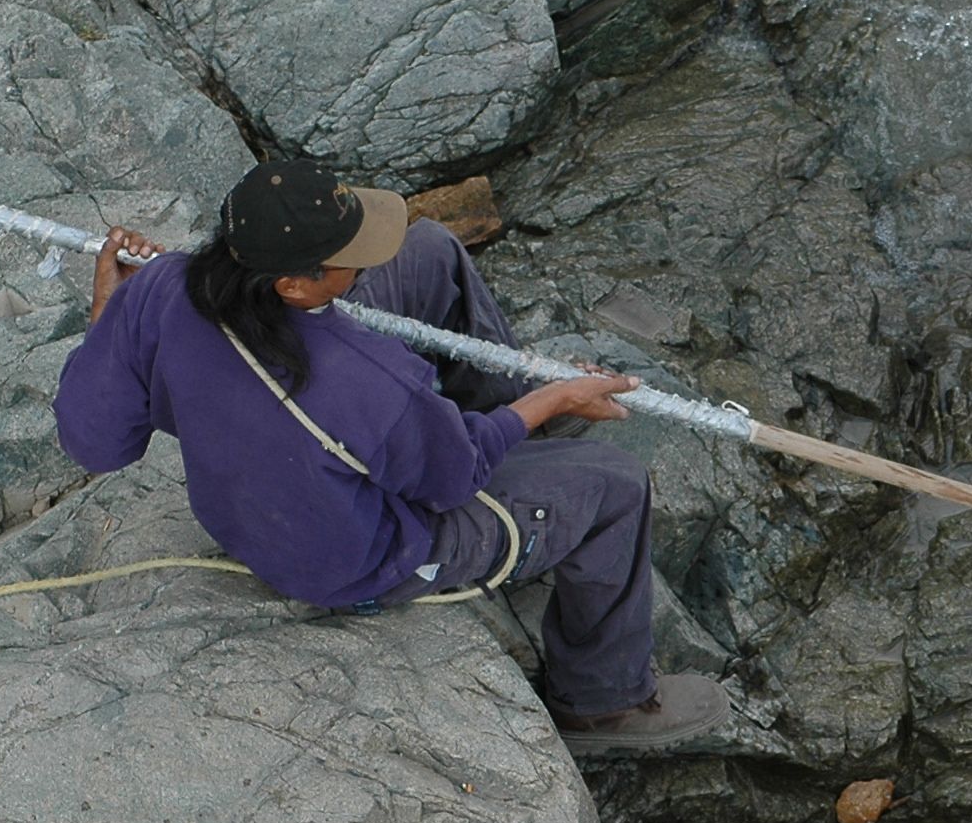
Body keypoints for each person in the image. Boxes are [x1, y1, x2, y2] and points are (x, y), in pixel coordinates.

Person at [52, 159, 731, 753]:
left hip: (271, 482)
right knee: (614, 484)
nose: (368, 255)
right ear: (295, 285)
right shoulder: (365, 380)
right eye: (352, 251)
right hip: (355, 560)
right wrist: (551, 401)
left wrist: (110, 310)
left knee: (429, 249)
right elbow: (452, 475)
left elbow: (96, 440)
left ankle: (503, 397)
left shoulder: (165, 284)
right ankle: (602, 701)